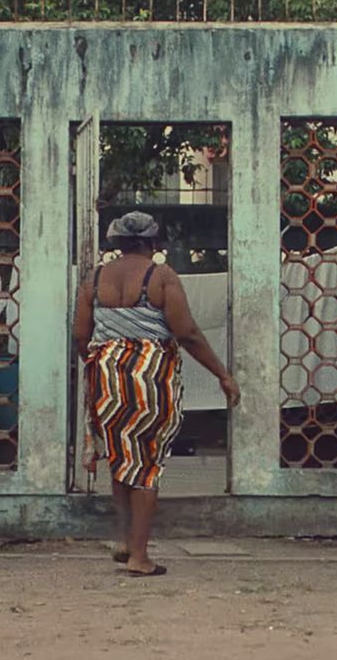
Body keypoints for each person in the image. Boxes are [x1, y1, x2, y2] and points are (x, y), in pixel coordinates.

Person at [72, 211, 240, 576]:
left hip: (105, 375)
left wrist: (102, 367)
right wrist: (222, 374)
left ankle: (125, 540)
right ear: (153, 242)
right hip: (150, 379)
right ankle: (139, 557)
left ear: (115, 242)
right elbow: (188, 333)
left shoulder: (94, 279)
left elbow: (81, 336)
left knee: (121, 458)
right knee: (147, 463)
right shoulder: (161, 276)